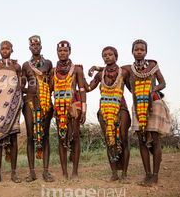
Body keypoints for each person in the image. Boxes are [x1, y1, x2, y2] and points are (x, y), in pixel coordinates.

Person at [122, 39, 171, 186]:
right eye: (136, 50)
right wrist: (96, 68)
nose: (139, 52)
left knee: (155, 140)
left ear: (146, 52)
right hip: (138, 106)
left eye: (141, 50)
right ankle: (147, 175)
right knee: (141, 140)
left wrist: (152, 89)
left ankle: (155, 176)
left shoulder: (153, 66)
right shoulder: (129, 69)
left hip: (154, 104)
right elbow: (114, 70)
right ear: (132, 52)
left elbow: (163, 83)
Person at [86, 46, 131, 183]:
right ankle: (114, 173)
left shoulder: (123, 72)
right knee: (109, 140)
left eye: (110, 54)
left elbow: (131, 89)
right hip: (105, 110)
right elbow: (88, 88)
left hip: (120, 107)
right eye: (104, 55)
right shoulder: (100, 75)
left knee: (123, 140)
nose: (107, 57)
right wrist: (79, 73)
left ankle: (124, 174)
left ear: (116, 56)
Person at [49, 41, 86, 180]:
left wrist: (83, 110)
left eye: (65, 50)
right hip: (59, 107)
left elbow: (82, 90)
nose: (62, 53)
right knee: (61, 137)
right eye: (60, 51)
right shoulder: (53, 71)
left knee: (75, 137)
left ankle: (75, 172)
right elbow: (50, 89)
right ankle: (64, 172)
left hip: (74, 105)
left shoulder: (76, 70)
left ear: (70, 51)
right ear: (57, 53)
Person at [21, 35, 54, 182]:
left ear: (41, 46)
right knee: (30, 136)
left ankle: (46, 171)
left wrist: (46, 94)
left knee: (45, 136)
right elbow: (22, 85)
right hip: (29, 102)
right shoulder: (26, 65)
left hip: (45, 102)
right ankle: (32, 172)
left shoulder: (48, 63)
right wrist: (30, 92)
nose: (35, 47)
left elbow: (53, 83)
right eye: (32, 45)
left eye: (37, 44)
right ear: (29, 48)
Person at [0, 41, 22, 184]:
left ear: (11, 50)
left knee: (13, 140)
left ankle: (13, 173)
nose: (4, 51)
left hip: (12, 106)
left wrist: (18, 103)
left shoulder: (16, 67)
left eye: (7, 48)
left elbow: (20, 85)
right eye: (2, 48)